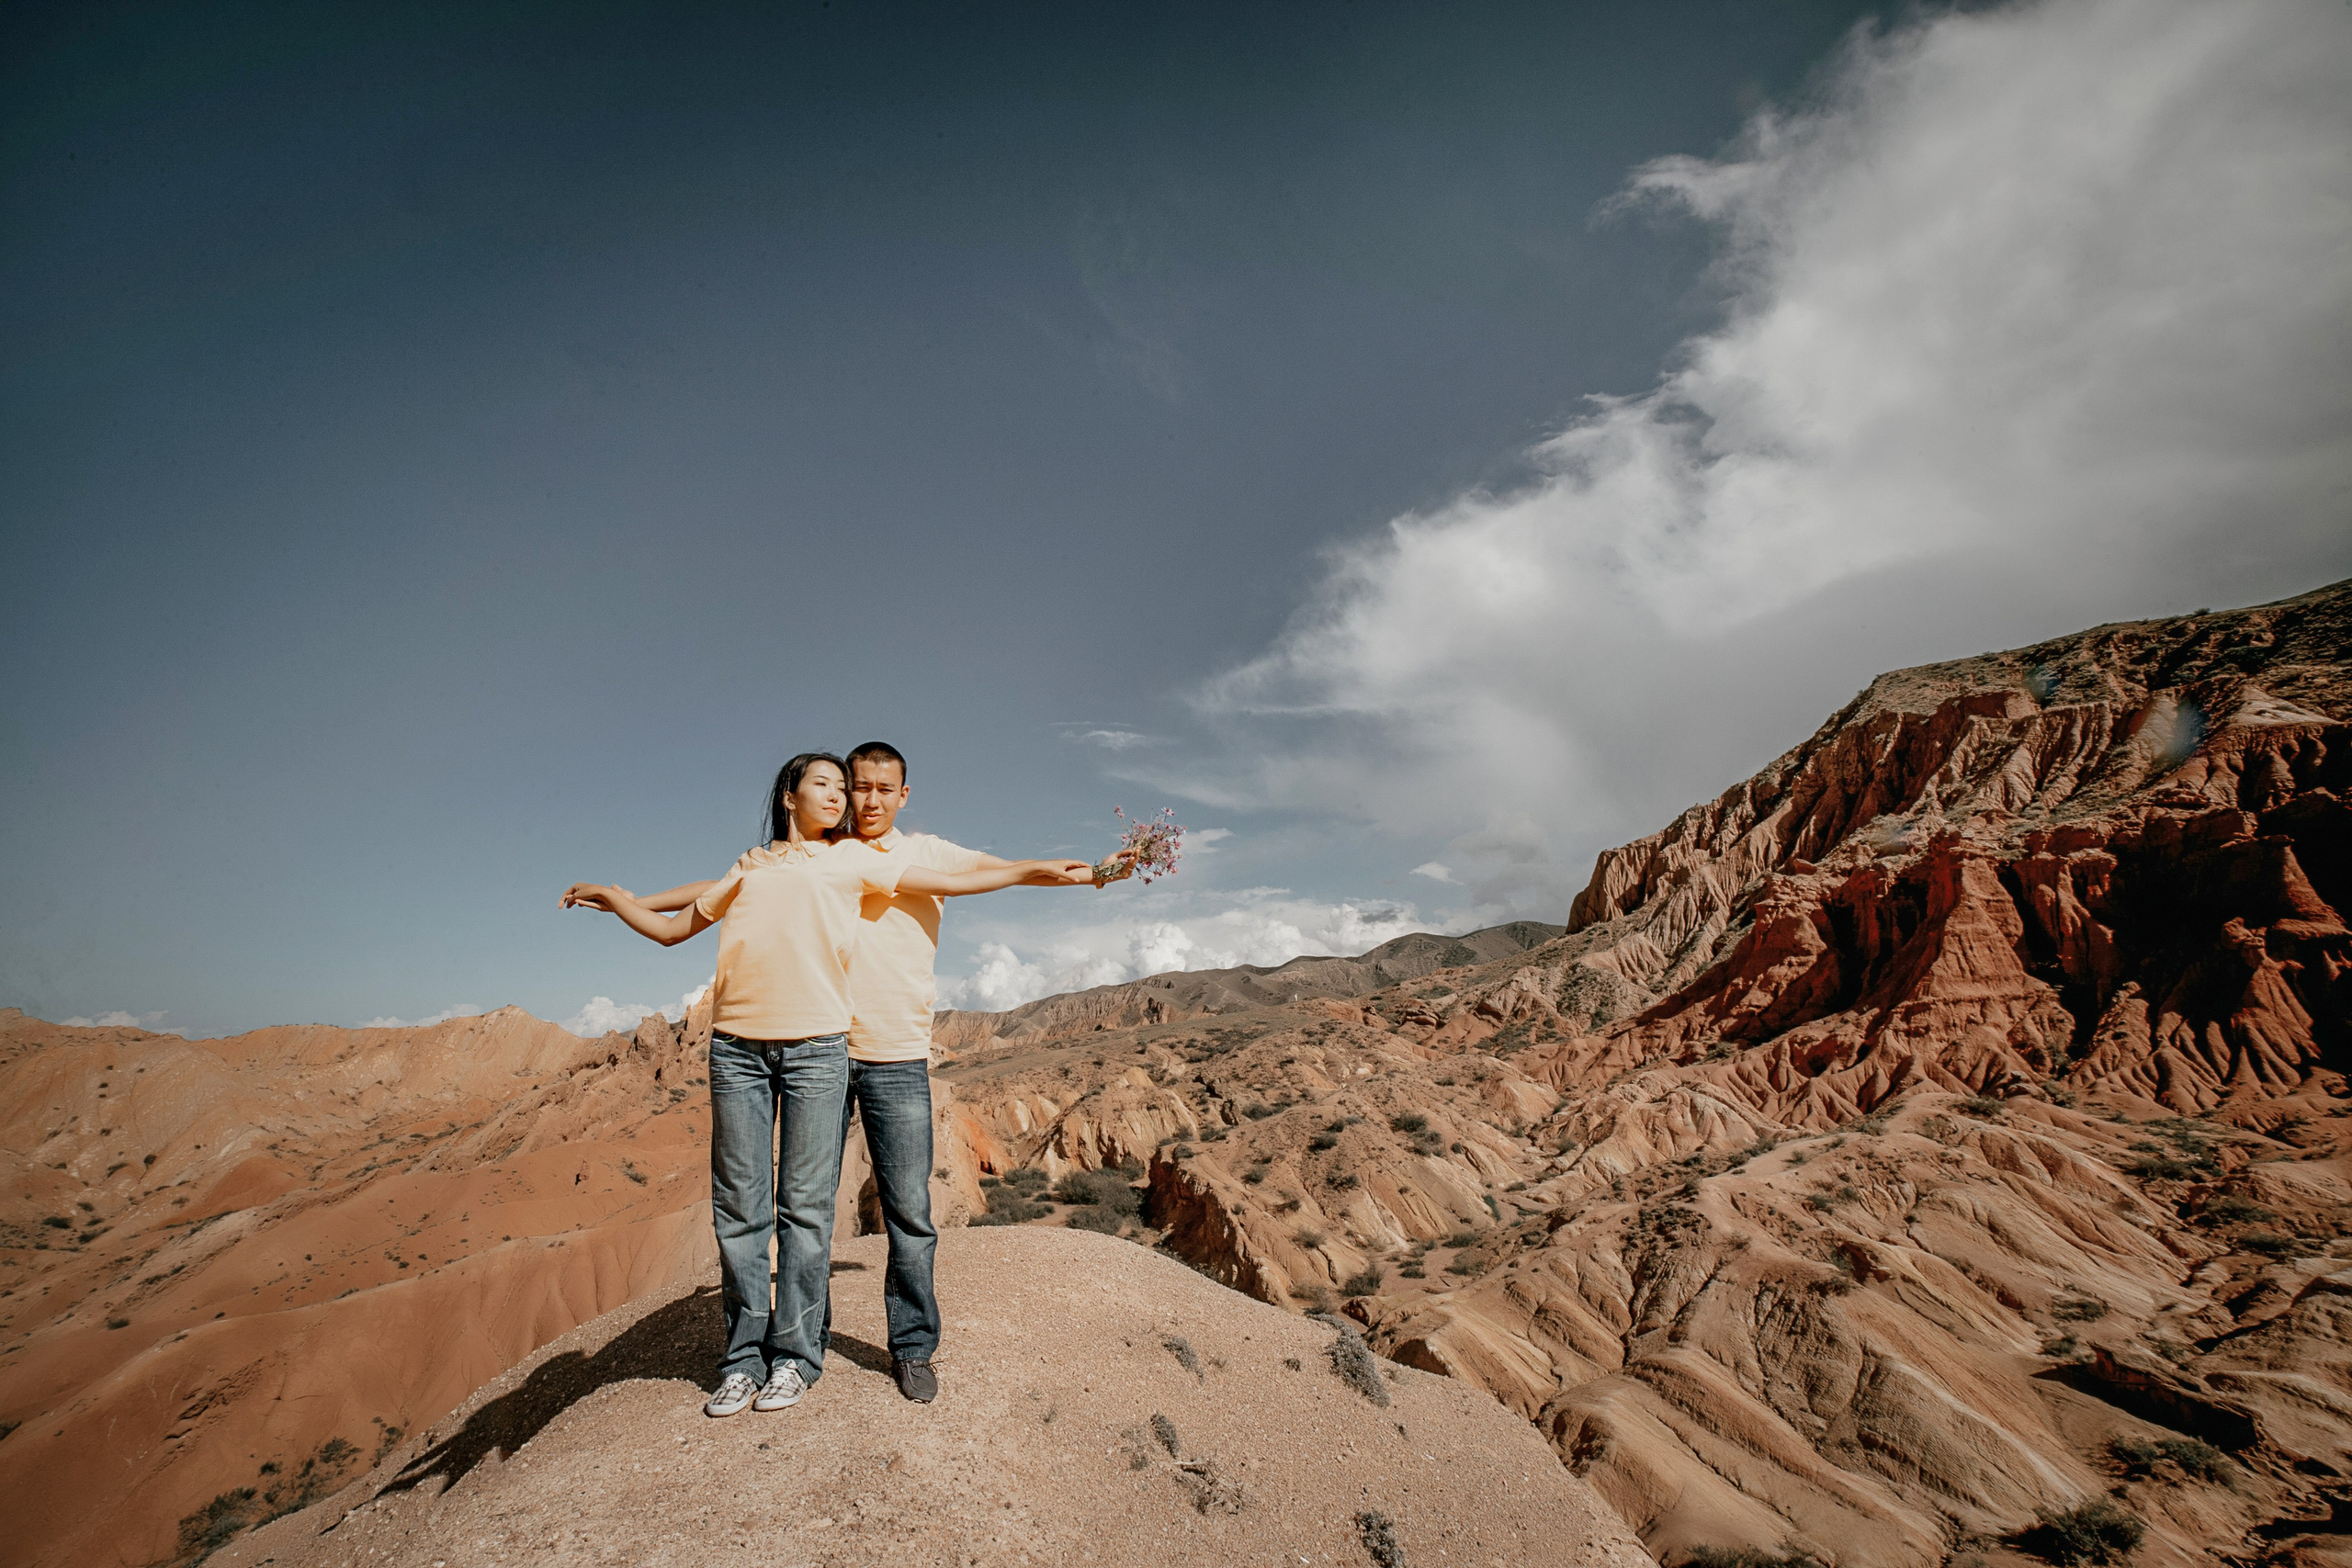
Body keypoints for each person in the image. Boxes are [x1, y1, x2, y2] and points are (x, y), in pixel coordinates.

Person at [560, 751, 1097, 1419]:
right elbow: (700, 907)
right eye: (839, 784)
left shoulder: (871, 858)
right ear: (792, 795)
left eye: (863, 788)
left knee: (853, 1209)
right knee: (751, 1208)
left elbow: (962, 878)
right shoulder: (775, 861)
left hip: (852, 1051)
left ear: (901, 793)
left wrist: (1039, 870)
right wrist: (620, 898)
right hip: (769, 1049)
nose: (853, 797)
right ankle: (757, 1356)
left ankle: (857, 1351)